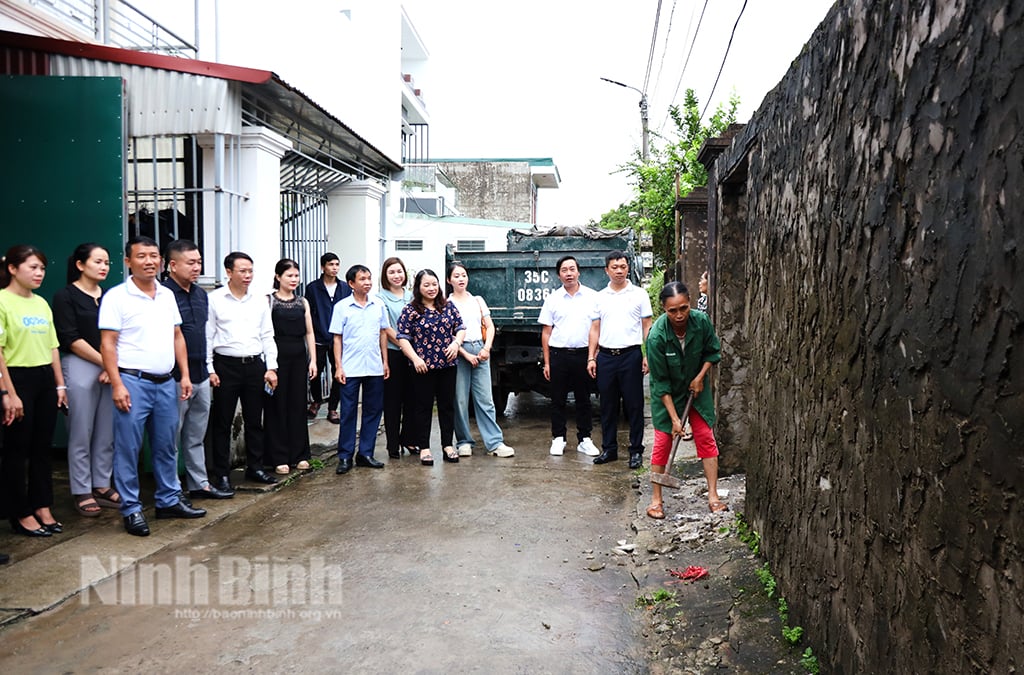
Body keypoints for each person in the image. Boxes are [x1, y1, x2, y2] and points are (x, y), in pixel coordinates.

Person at [99, 236, 206, 537]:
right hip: (132, 381)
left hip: (165, 383)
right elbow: (108, 344)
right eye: (141, 255)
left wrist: (184, 375)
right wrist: (117, 383)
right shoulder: (117, 297)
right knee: (129, 448)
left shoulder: (166, 295)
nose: (149, 261)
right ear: (128, 261)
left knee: (165, 446)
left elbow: (177, 337)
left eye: (154, 255)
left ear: (161, 260)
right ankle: (132, 509)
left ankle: (168, 500)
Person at [0, 245, 67, 537]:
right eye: (32, 267)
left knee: (42, 448)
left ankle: (42, 505)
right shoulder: (2, 301)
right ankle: (20, 511)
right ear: (13, 269)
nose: (39, 273)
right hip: (16, 377)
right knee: (17, 449)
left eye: (42, 268)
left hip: (44, 379)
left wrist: (59, 384)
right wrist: (9, 393)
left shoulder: (41, 303)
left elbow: (52, 346)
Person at [646, 281, 726, 518]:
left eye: (683, 308)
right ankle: (656, 500)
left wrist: (700, 377)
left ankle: (713, 496)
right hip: (668, 394)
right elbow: (661, 383)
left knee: (705, 437)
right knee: (663, 443)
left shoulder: (700, 321)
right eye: (673, 310)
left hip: (696, 390)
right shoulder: (657, 337)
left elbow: (713, 352)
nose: (679, 315)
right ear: (664, 309)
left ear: (690, 303)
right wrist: (674, 419)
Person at [162, 240, 233, 500]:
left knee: (195, 435)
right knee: (170, 438)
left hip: (201, 374)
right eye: (191, 262)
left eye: (199, 262)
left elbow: (206, 334)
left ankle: (199, 484)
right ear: (172, 265)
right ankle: (171, 489)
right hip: (174, 377)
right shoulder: (163, 295)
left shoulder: (201, 294)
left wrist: (208, 367)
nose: (197, 267)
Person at [53, 243, 119, 517]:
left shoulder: (111, 297)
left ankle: (101, 484)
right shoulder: (65, 296)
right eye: (98, 261)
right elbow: (70, 338)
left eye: (106, 262)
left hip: (109, 367)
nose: (104, 266)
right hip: (80, 365)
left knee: (107, 429)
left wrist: (111, 367)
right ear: (80, 265)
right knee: (82, 430)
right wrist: (106, 363)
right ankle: (82, 489)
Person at [206, 251, 279, 487]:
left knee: (254, 420)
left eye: (251, 271)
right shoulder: (215, 299)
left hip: (254, 365)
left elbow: (268, 335)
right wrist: (210, 368)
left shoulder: (259, 300)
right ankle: (222, 473)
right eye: (242, 271)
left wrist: (271, 367)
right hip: (225, 365)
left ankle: (255, 467)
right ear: (229, 272)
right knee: (222, 422)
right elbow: (208, 336)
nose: (248, 275)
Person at [587, 250, 653, 469]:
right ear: (606, 270)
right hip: (606, 357)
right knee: (607, 406)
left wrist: (647, 354)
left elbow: (647, 327)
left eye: (623, 267)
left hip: (631, 356)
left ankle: (636, 451)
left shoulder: (639, 294)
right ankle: (609, 449)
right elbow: (594, 329)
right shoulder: (599, 297)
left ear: (628, 268)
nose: (619, 271)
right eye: (614, 267)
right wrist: (591, 357)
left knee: (634, 406)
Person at [396, 269, 466, 465]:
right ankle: (424, 447)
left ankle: (447, 445)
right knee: (423, 408)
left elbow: (460, 328)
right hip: (422, 368)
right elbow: (403, 338)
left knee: (447, 406)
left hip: (447, 365)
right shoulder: (410, 310)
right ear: (418, 288)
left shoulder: (448, 307)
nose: (431, 288)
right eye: (426, 285)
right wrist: (415, 359)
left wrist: (456, 343)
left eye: (434, 284)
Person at [447, 263, 514, 458]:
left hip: (481, 349)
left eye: (464, 275)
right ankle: (464, 441)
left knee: (486, 399)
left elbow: (490, 327)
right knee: (459, 399)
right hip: (459, 353)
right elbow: (447, 335)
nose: (461, 279)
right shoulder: (446, 303)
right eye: (457, 275)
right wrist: (465, 354)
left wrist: (486, 348)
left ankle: (494, 442)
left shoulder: (477, 300)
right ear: (449, 280)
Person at [538, 255, 600, 457]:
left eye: (572, 269)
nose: (569, 273)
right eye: (564, 270)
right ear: (559, 275)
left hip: (583, 354)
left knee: (584, 398)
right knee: (558, 399)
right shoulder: (552, 299)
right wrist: (547, 362)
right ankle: (558, 438)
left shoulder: (592, 297)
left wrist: (593, 355)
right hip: (558, 355)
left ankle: (585, 439)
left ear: (578, 271)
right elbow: (546, 332)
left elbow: (596, 328)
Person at [330, 265, 389, 475]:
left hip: (374, 366)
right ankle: (345, 456)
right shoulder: (342, 307)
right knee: (348, 413)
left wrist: (385, 361)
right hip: (350, 367)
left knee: (373, 411)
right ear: (351, 284)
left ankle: (365, 453)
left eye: (369, 278)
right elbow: (337, 338)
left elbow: (383, 334)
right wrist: (338, 366)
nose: (367, 282)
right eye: (362, 279)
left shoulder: (378, 305)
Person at [265, 258, 317, 475]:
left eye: (296, 275)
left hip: (298, 358)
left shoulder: (302, 302)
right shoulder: (269, 301)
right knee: (277, 406)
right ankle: (278, 457)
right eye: (289, 275)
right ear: (278, 277)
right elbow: (265, 334)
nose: (294, 279)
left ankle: (300, 455)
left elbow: (309, 332)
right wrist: (269, 365)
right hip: (277, 358)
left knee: (297, 405)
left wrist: (312, 360)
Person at [305, 252, 350, 423]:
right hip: (318, 336)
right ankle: (316, 401)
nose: (335, 268)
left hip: (339, 337)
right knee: (315, 371)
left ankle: (332, 408)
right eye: (331, 264)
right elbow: (308, 312)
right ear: (323, 267)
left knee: (338, 371)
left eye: (337, 264)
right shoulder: (312, 288)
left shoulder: (345, 287)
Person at [377, 257, 415, 459]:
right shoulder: (379, 298)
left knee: (412, 399)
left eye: (399, 271)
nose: (396, 275)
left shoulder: (411, 296)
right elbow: (385, 327)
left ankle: (408, 439)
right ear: (385, 276)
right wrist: (403, 343)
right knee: (392, 401)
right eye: (391, 272)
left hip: (414, 355)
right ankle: (392, 445)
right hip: (393, 352)